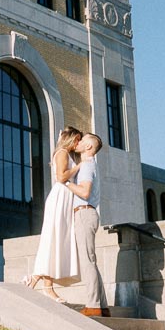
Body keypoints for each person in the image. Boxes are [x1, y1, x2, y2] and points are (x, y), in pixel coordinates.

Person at [25, 126, 84, 300]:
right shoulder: (62, 153)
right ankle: (43, 284)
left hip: (66, 199)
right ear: (71, 139)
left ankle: (38, 281)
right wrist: (79, 167)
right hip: (60, 197)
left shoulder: (68, 154)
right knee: (52, 239)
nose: (78, 143)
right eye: (77, 139)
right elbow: (61, 176)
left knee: (57, 240)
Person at [65, 132, 109, 316]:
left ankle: (93, 305)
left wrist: (66, 182)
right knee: (91, 260)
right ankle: (103, 306)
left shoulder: (87, 166)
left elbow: (84, 192)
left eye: (82, 140)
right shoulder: (90, 165)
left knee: (87, 261)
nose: (78, 142)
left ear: (89, 147)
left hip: (84, 212)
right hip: (88, 213)